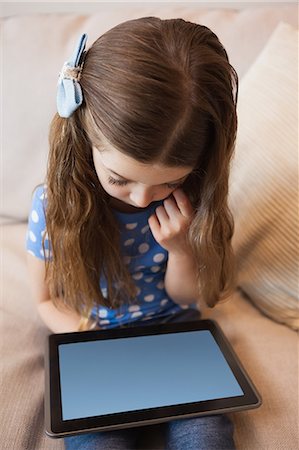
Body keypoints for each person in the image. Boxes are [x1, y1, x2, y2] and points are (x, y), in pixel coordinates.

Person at [26, 16, 238, 450]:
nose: (144, 199)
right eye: (120, 178)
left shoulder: (194, 201)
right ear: (85, 140)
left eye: (168, 182)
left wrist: (181, 249)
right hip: (95, 342)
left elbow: (186, 300)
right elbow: (45, 299)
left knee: (206, 436)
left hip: (173, 334)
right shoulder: (53, 207)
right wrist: (91, 343)